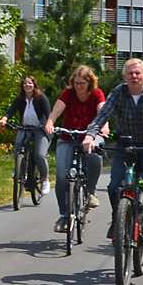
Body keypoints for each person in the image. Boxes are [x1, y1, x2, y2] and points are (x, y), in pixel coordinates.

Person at [83, 59, 143, 246]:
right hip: (124, 147)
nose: (134, 76)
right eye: (130, 73)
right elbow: (102, 115)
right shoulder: (118, 93)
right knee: (114, 187)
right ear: (124, 76)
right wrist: (90, 136)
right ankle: (117, 220)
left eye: (138, 73)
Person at [44, 65, 108, 233]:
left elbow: (103, 112)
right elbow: (56, 111)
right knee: (61, 178)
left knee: (94, 156)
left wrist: (104, 126)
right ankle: (64, 216)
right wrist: (50, 123)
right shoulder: (68, 94)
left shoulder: (97, 94)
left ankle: (91, 192)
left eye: (82, 83)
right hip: (68, 137)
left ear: (89, 82)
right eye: (76, 83)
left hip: (90, 136)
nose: (79, 86)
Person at [0, 75, 52, 196]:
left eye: (30, 83)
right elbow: (11, 111)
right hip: (25, 127)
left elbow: (49, 114)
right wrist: (4, 118)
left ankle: (45, 180)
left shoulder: (41, 98)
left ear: (34, 85)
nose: (27, 86)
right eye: (25, 84)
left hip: (41, 129)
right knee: (18, 147)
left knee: (39, 155)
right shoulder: (20, 99)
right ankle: (21, 172)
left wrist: (49, 125)